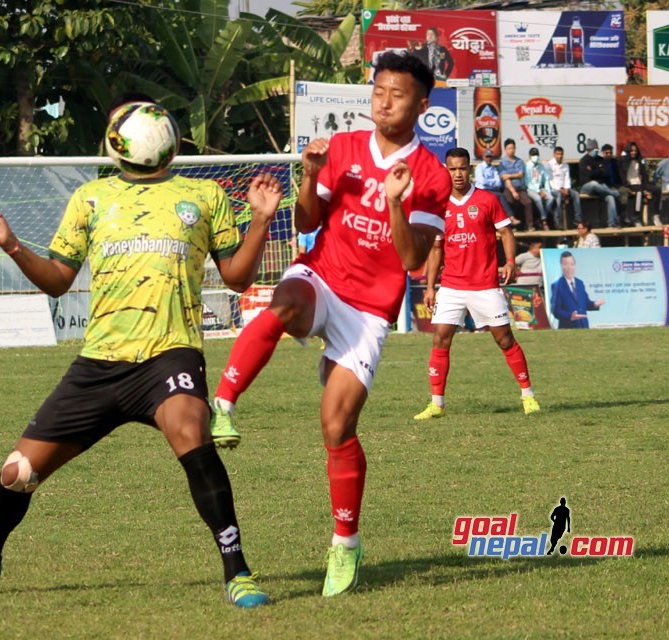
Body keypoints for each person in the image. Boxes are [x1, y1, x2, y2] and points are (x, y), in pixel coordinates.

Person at [0, 96, 283, 608]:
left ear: (119, 144)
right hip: (98, 365)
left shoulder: (203, 196)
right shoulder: (90, 199)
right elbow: (57, 282)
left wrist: (263, 219)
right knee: (18, 473)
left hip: (168, 355)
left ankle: (238, 572)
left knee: (190, 429)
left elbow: (237, 277)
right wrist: (11, 243)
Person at [210, 51, 451, 597]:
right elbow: (307, 221)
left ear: (421, 103)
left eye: (397, 93)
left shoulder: (431, 174)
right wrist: (311, 175)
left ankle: (345, 544)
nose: (384, 101)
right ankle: (222, 406)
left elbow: (413, 260)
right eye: (378, 91)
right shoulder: (341, 148)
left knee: (336, 427)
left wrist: (394, 203)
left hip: (369, 311)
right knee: (284, 301)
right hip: (324, 277)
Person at [413, 147, 539, 421]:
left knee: (505, 340)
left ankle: (528, 396)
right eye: (452, 169)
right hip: (452, 286)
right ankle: (437, 404)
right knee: (440, 339)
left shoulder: (486, 200)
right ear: (446, 170)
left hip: (485, 284)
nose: (457, 174)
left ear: (470, 169)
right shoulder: (440, 205)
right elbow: (436, 249)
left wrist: (510, 261)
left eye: (462, 168)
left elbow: (506, 231)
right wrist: (431, 287)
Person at [550, 251, 604, 329]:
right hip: (568, 328)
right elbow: (555, 310)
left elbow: (585, 303)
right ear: (561, 266)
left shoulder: (580, 283)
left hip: (584, 327)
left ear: (575, 265)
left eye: (571, 264)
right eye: (565, 264)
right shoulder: (557, 285)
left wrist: (594, 304)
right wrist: (569, 316)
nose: (569, 267)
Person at [579, 138, 622, 228]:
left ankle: (612, 222)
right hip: (587, 187)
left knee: (610, 198)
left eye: (597, 149)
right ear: (588, 150)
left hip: (600, 187)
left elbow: (605, 173)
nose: (596, 151)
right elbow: (588, 175)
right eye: (594, 149)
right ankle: (614, 193)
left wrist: (595, 171)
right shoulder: (584, 161)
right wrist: (599, 170)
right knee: (594, 183)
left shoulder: (600, 159)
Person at [474, 148, 519, 226]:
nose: (489, 158)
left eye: (490, 157)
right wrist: (492, 182)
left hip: (492, 190)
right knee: (501, 196)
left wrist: (489, 182)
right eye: (487, 156)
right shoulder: (479, 167)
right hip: (481, 190)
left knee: (503, 197)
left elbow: (498, 183)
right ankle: (511, 218)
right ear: (483, 157)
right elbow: (482, 181)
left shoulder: (493, 168)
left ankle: (505, 223)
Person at [498, 139, 535, 230]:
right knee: (509, 201)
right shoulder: (502, 163)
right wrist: (513, 191)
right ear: (505, 149)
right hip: (509, 188)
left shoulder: (520, 161)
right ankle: (511, 226)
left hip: (521, 188)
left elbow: (521, 174)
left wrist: (509, 175)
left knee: (528, 202)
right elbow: (505, 179)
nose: (511, 150)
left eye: (513, 148)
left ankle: (530, 226)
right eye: (509, 148)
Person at [620, 141, 658, 226]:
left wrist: (646, 185)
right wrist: (627, 187)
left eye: (635, 151)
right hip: (630, 184)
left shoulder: (640, 160)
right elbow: (622, 175)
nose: (633, 153)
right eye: (631, 151)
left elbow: (644, 174)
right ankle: (636, 217)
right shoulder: (624, 161)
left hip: (639, 183)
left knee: (656, 190)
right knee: (639, 193)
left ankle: (655, 215)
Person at [545, 146, 582, 228]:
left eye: (561, 154)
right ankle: (557, 220)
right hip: (553, 189)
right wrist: (560, 190)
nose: (560, 156)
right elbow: (549, 180)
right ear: (554, 155)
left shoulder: (565, 165)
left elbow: (567, 178)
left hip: (564, 188)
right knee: (558, 196)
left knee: (576, 194)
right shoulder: (549, 165)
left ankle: (578, 219)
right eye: (558, 154)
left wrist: (566, 189)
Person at [601, 144, 632, 225]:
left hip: (616, 185)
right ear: (602, 153)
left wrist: (625, 185)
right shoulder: (600, 162)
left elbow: (620, 174)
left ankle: (623, 215)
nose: (609, 155)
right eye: (606, 153)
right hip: (606, 186)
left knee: (624, 191)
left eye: (610, 153)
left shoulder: (615, 162)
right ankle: (616, 219)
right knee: (614, 194)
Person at [524, 147, 554, 230]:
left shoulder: (541, 166)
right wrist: (538, 191)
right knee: (538, 199)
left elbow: (546, 179)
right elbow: (527, 182)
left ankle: (541, 217)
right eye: (533, 155)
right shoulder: (527, 166)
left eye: (536, 154)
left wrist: (547, 191)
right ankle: (544, 220)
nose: (535, 156)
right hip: (530, 189)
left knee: (551, 198)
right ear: (530, 156)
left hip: (540, 188)